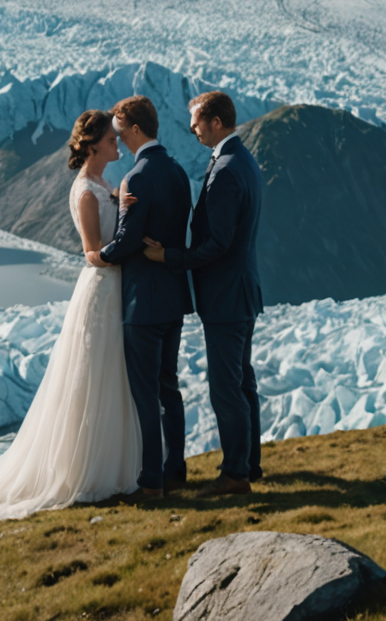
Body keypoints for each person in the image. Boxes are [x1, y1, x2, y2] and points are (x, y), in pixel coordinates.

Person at [0, 110, 141, 518]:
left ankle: (111, 467)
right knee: (96, 376)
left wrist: (121, 203)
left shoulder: (101, 185)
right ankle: (88, 470)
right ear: (93, 145)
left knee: (111, 376)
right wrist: (133, 245)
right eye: (112, 140)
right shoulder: (85, 191)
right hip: (102, 288)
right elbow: (93, 253)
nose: (118, 144)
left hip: (114, 289)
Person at [142, 90, 264, 495]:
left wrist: (170, 257)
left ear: (215, 122)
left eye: (196, 122)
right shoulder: (242, 160)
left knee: (226, 387)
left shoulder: (227, 168)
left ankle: (235, 475)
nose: (191, 129)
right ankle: (250, 465)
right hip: (241, 290)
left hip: (226, 296)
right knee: (243, 382)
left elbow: (219, 243)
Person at [93, 94, 194, 497]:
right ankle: (176, 470)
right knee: (169, 388)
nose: (116, 135)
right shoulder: (177, 172)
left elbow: (128, 238)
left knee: (145, 394)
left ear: (135, 129)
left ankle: (151, 479)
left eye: (119, 129)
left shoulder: (136, 177)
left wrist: (100, 255)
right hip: (173, 295)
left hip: (143, 302)